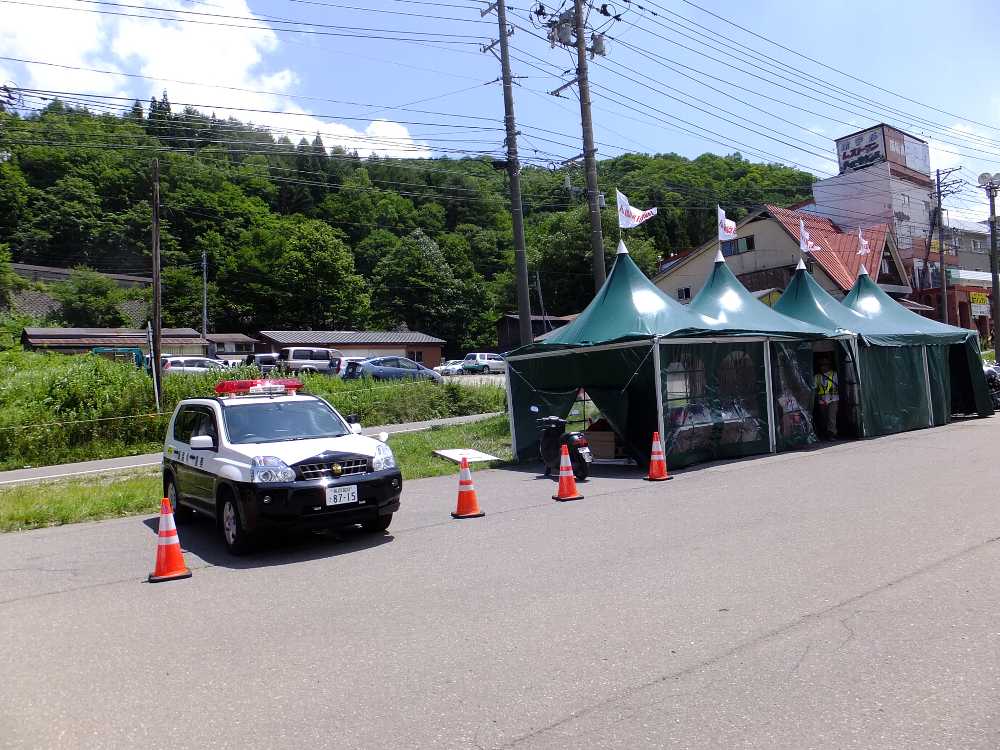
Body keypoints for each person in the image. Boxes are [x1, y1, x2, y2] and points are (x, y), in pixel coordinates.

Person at [814, 355, 839, 439]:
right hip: (822, 400)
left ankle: (831, 433)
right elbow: (814, 388)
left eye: (825, 364)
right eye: (822, 365)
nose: (823, 367)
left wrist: (833, 390)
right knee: (823, 417)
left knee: (831, 417)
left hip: (833, 399)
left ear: (829, 365)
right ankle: (824, 433)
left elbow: (838, 385)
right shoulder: (817, 376)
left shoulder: (834, 374)